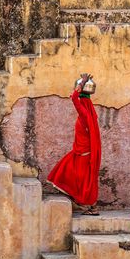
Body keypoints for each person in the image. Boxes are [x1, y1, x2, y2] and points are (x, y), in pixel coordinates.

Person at [47, 73, 102, 215]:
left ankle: (85, 205)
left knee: (73, 176)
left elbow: (73, 98)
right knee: (87, 180)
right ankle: (91, 206)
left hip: (82, 153)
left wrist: (82, 82)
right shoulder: (91, 114)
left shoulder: (84, 113)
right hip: (84, 152)